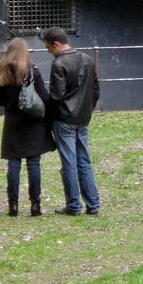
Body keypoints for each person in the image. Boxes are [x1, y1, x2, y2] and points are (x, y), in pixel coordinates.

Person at [41, 26, 101, 216]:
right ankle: (93, 205)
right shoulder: (87, 59)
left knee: (69, 162)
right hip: (82, 118)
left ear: (56, 44)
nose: (49, 52)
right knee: (84, 161)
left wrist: (51, 117)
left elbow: (56, 97)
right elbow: (95, 90)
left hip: (64, 119)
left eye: (49, 48)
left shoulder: (59, 64)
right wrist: (87, 110)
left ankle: (73, 205)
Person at [0, 38, 55, 217]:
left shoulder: (2, 73)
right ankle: (35, 204)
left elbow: (0, 101)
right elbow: (44, 96)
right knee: (33, 164)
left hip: (12, 123)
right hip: (33, 122)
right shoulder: (32, 72)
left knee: (14, 163)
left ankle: (13, 205)